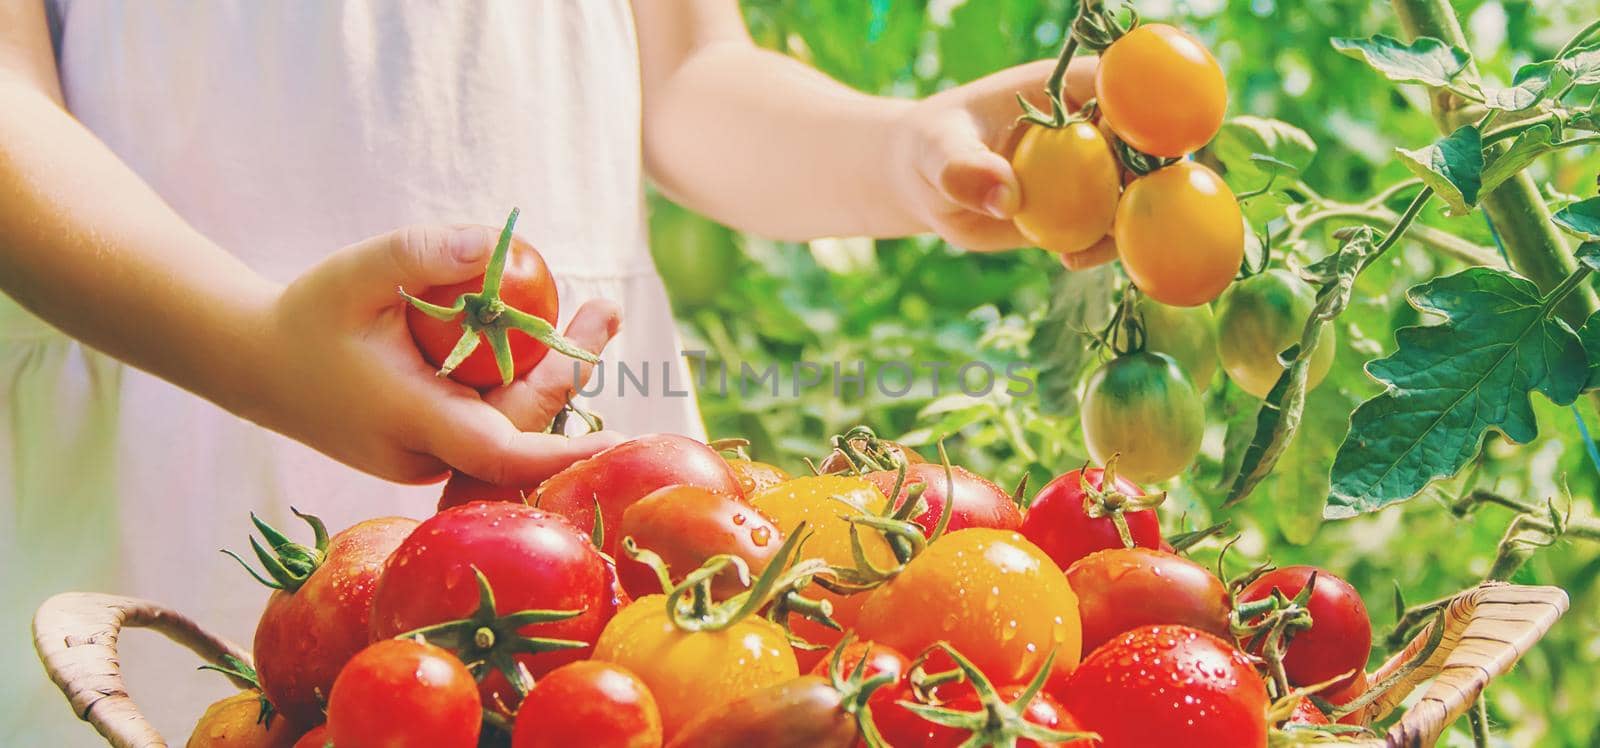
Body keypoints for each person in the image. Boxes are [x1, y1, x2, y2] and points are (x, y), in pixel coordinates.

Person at [0, 0, 1100, 742]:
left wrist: (901, 155)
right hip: (181, 400)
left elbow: (690, 80)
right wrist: (255, 349)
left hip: (584, 478)